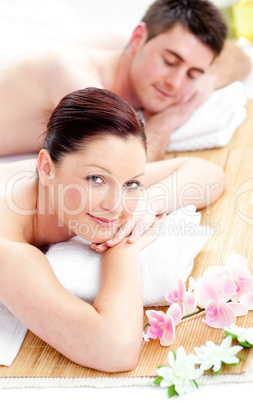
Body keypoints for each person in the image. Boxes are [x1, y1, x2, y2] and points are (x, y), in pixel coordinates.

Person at [0, 87, 226, 372]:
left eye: (131, 183)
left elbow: (208, 173)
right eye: (96, 179)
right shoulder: (7, 249)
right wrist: (125, 246)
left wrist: (146, 203)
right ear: (46, 168)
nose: (117, 206)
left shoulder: (71, 184)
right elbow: (115, 350)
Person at [0, 0, 251, 160]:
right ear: (139, 37)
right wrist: (165, 122)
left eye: (192, 73)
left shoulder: (120, 47)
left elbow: (240, 57)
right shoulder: (77, 78)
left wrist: (204, 81)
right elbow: (122, 167)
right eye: (170, 62)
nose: (176, 83)